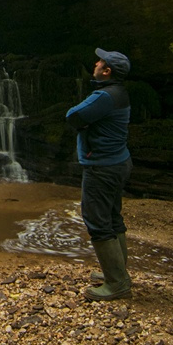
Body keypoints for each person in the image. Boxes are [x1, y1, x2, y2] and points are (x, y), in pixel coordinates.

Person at [66, 48, 133, 300]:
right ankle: (117, 272)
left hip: (102, 167)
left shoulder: (104, 96)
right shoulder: (119, 92)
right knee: (113, 218)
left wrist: (84, 122)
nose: (95, 62)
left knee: (96, 220)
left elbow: (73, 115)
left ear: (107, 71)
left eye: (100, 61)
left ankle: (116, 283)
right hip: (119, 163)